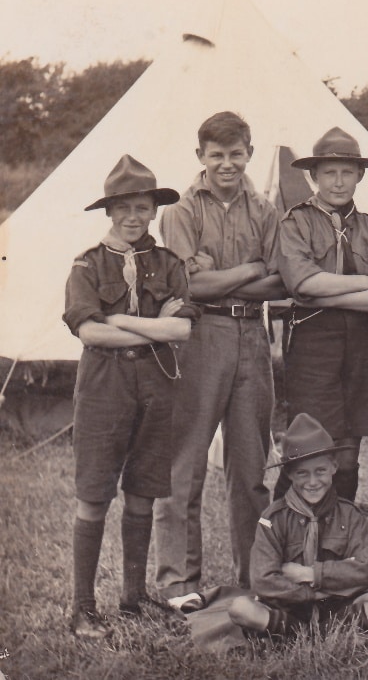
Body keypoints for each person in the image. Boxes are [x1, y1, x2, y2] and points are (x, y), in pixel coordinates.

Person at [154, 111, 286, 607]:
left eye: (236, 154)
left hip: (253, 333)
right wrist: (252, 267)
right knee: (185, 462)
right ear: (200, 157)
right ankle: (178, 583)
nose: (227, 164)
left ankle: (257, 578)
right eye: (217, 155)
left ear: (249, 153)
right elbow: (190, 284)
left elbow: (282, 282)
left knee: (251, 466)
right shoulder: (182, 210)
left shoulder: (265, 209)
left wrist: (231, 274)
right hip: (202, 333)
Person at [64, 155, 197, 639]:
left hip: (157, 386)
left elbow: (182, 328)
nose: (134, 217)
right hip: (104, 388)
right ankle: (82, 609)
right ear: (110, 211)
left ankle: (133, 596)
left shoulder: (168, 263)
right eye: (124, 208)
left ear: (153, 210)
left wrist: (118, 320)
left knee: (143, 490)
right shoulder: (87, 263)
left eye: (142, 207)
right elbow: (90, 334)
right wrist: (150, 328)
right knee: (95, 493)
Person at [275, 127, 368, 501]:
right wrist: (364, 281)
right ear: (313, 176)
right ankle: (279, 537)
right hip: (314, 345)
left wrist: (332, 292)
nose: (338, 181)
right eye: (329, 172)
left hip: (363, 346)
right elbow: (301, 283)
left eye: (347, 172)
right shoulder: (295, 222)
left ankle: (339, 541)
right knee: (309, 448)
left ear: (360, 175)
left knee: (348, 455)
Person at [227, 413, 368, 637]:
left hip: (335, 607)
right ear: (289, 474)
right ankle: (305, 633)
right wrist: (314, 592)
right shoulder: (273, 519)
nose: (313, 482)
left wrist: (309, 574)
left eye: (321, 471)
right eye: (302, 473)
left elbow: (363, 572)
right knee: (240, 608)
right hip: (288, 607)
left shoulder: (350, 515)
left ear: (334, 467)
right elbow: (262, 579)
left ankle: (304, 633)